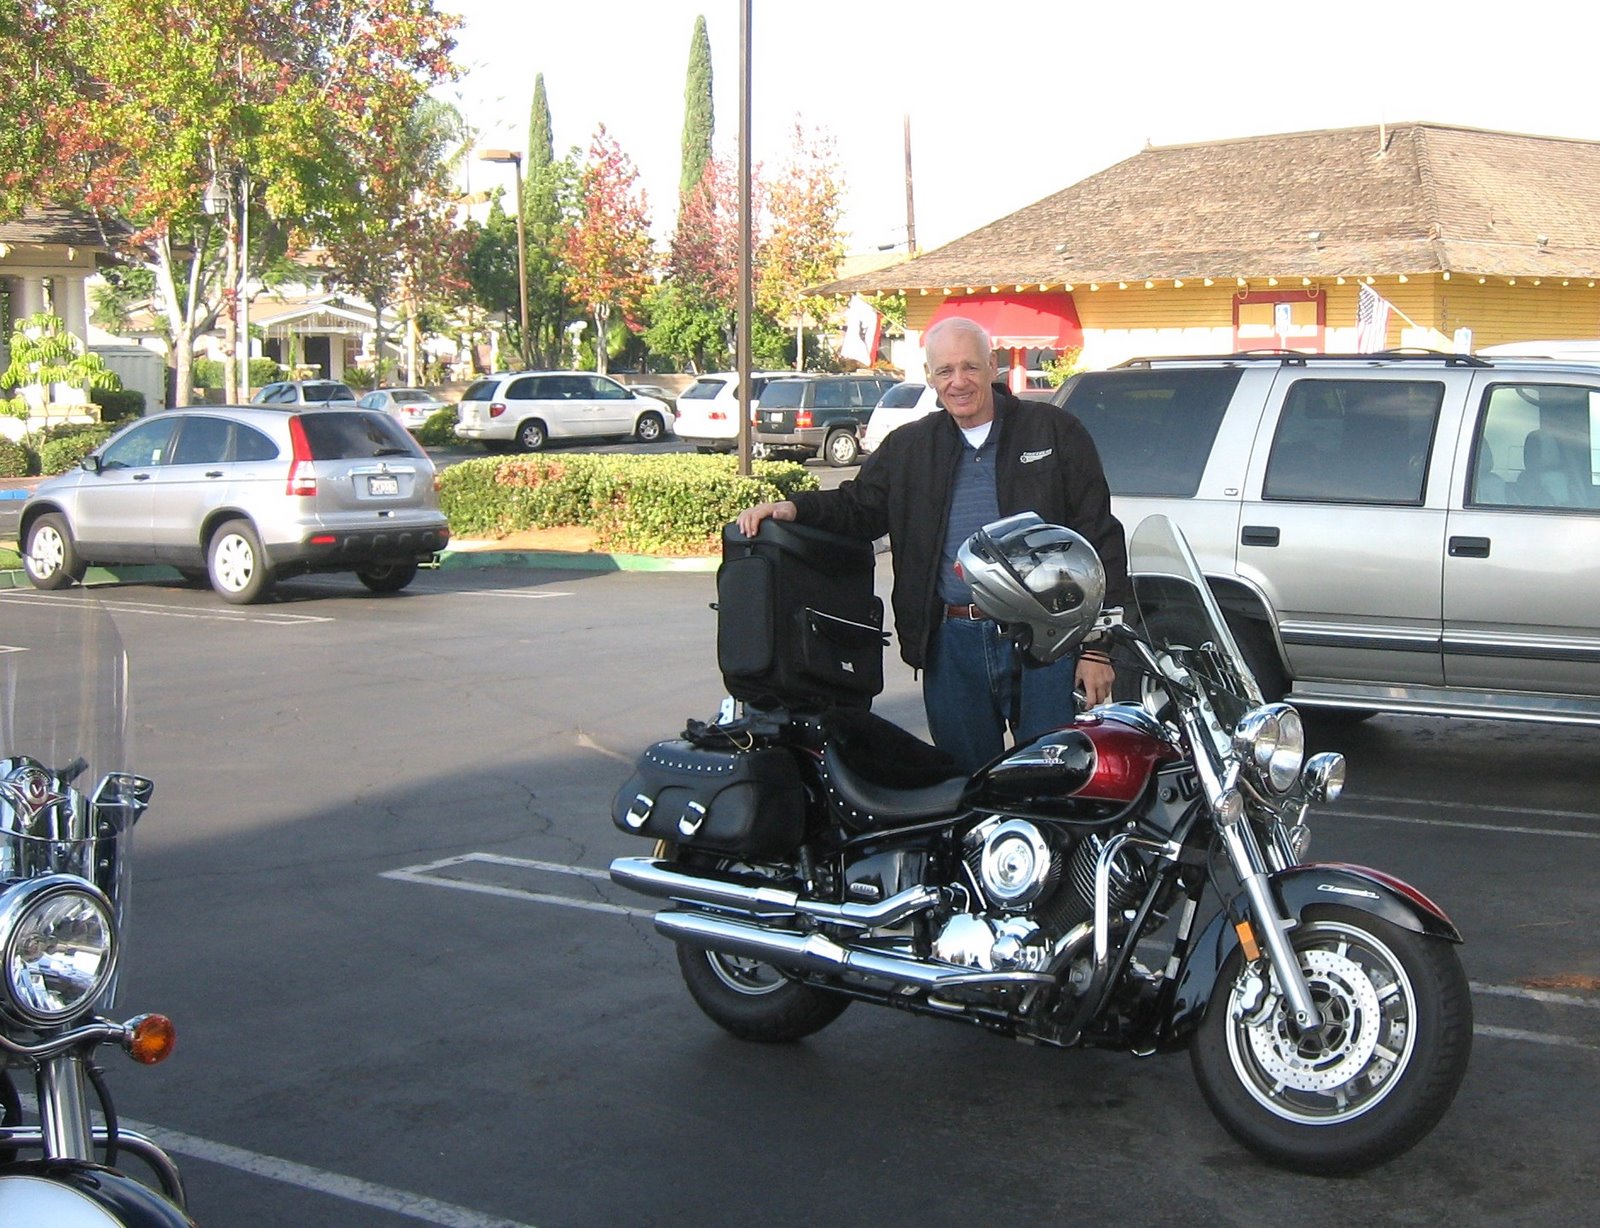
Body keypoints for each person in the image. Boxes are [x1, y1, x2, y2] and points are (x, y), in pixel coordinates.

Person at [736, 316, 1132, 774]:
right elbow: (859, 507)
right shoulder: (910, 447)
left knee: (1052, 780)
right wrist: (795, 508)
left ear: (993, 367)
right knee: (963, 784)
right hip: (952, 644)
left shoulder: (1053, 431)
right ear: (930, 377)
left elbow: (1098, 537)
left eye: (970, 367)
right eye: (945, 371)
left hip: (1046, 642)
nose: (958, 381)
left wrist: (1097, 649)